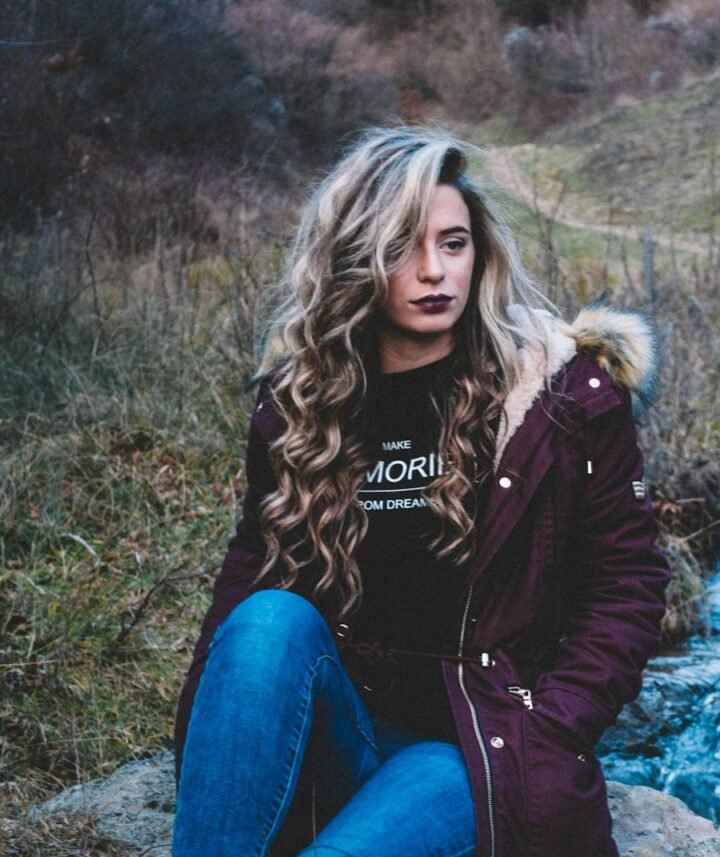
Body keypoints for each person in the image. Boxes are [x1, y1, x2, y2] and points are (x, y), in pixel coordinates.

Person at [171, 126, 671, 857]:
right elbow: (253, 561)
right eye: (405, 245)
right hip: (336, 728)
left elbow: (629, 582)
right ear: (354, 256)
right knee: (268, 619)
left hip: (474, 746)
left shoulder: (562, 396)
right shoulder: (303, 401)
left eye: (454, 243)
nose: (435, 270)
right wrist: (210, 745)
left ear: (480, 251)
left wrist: (552, 724)